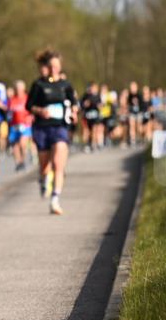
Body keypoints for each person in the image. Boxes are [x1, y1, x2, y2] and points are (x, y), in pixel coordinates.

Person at [26, 49, 78, 216]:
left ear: (60, 66)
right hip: (42, 128)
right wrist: (40, 110)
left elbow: (74, 102)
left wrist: (75, 111)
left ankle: (55, 199)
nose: (54, 68)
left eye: (57, 65)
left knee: (58, 164)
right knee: (44, 166)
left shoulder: (65, 85)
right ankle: (43, 179)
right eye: (51, 65)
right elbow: (29, 106)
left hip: (60, 127)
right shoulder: (39, 85)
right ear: (47, 66)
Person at [7, 80, 34, 170]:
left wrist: (30, 117)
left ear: (23, 89)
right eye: (17, 88)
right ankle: (18, 162)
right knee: (15, 145)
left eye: (20, 88)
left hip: (25, 124)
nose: (18, 90)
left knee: (22, 143)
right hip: (14, 125)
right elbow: (9, 112)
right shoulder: (12, 100)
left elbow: (32, 110)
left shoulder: (27, 98)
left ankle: (22, 159)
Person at [79, 82, 102, 153]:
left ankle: (93, 144)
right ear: (90, 88)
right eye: (93, 88)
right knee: (87, 131)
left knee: (94, 130)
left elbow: (100, 105)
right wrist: (85, 104)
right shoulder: (86, 95)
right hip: (87, 115)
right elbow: (81, 104)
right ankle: (87, 144)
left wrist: (99, 106)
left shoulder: (98, 96)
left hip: (95, 115)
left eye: (95, 88)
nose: (94, 89)